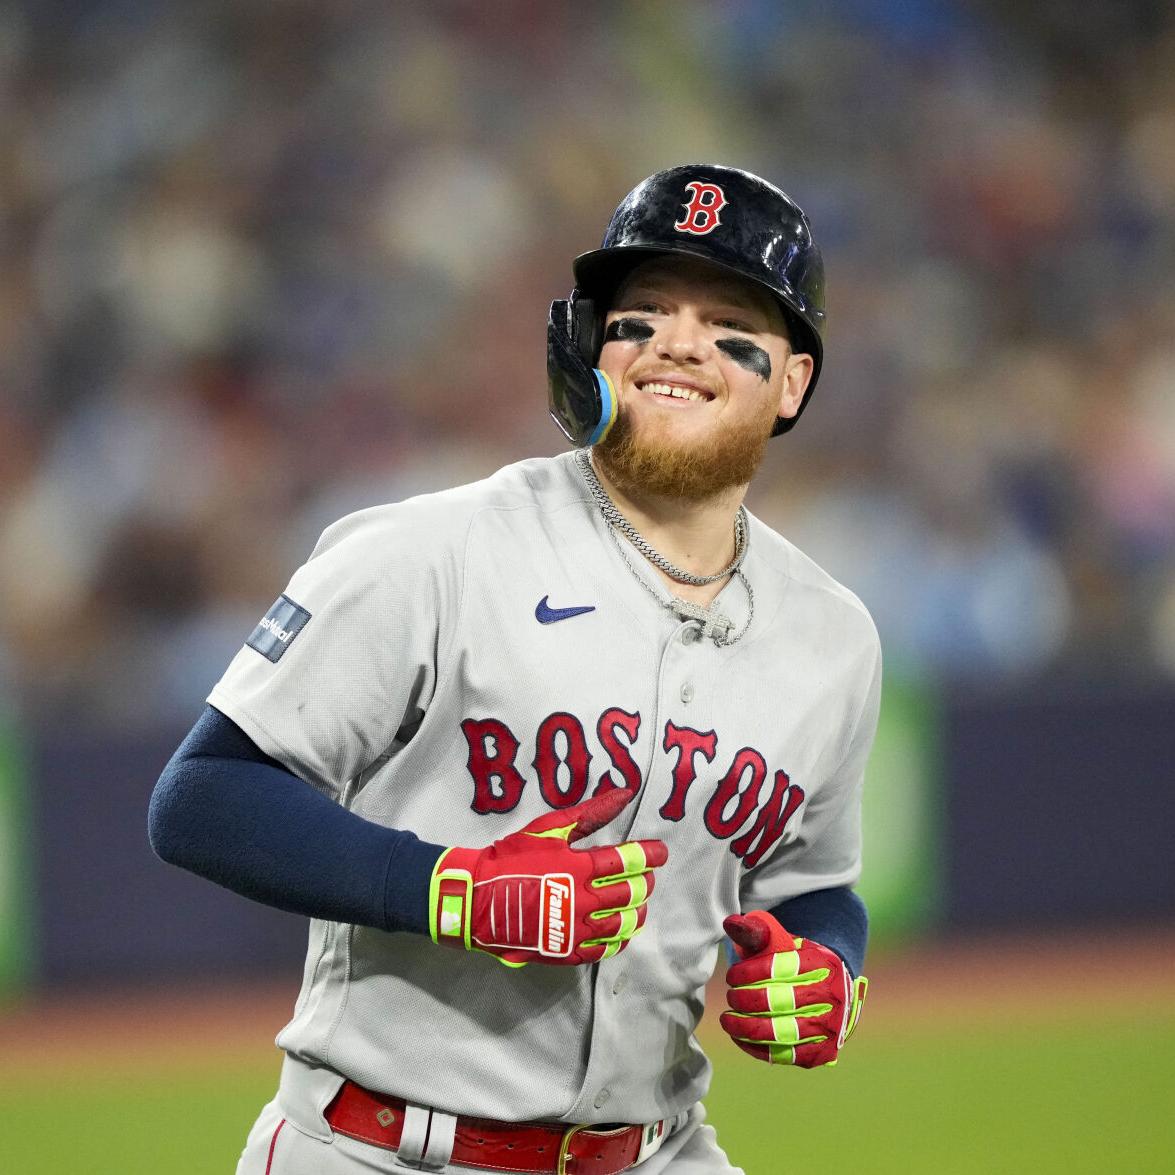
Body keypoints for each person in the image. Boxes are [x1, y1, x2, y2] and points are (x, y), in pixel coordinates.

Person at [149, 163, 881, 1175]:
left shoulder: (831, 635)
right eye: (642, 313)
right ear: (589, 347)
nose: (676, 339)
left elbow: (817, 882)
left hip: (659, 1149)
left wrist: (823, 962)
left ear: (791, 379)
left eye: (727, 319)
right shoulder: (429, 549)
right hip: (379, 1145)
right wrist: (451, 887)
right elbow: (201, 797)